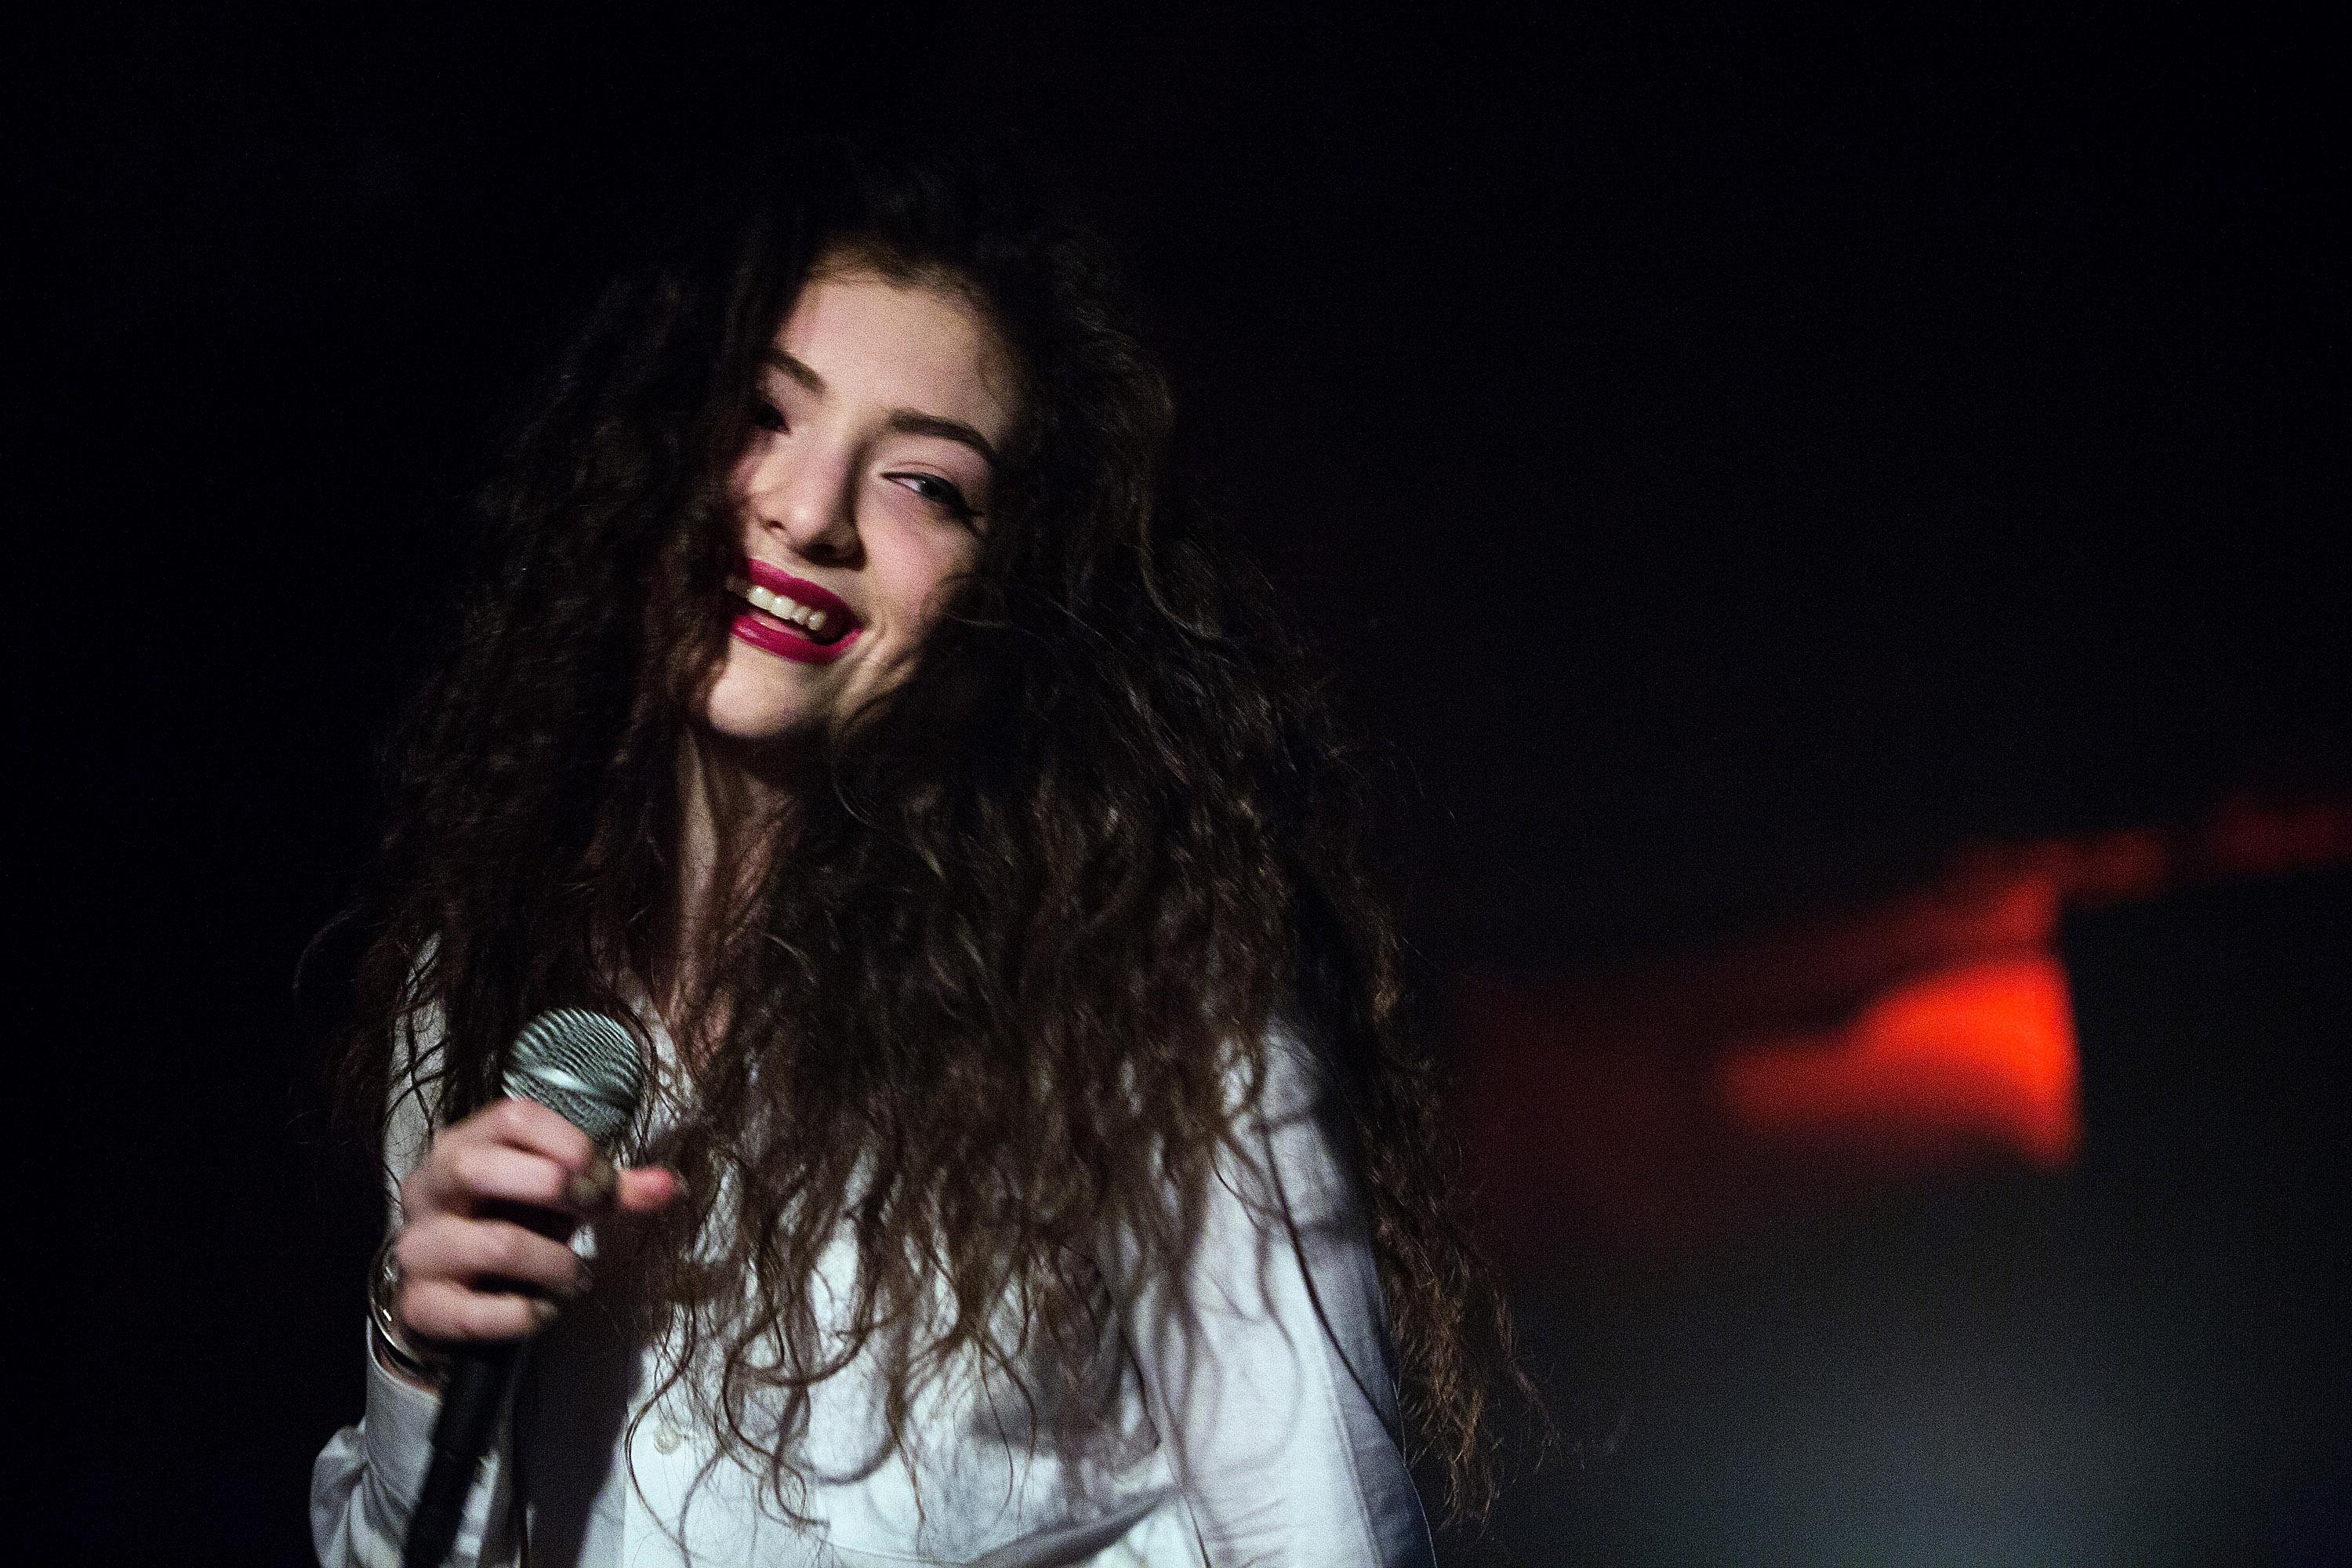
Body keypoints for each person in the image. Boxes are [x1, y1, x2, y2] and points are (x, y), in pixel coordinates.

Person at [311, 137, 1523, 1566]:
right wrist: (422, 1357)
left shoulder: (1147, 1014)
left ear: (1020, 585)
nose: (807, 513)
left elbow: (1325, 1540)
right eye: (764, 414)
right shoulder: (490, 984)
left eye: (925, 485)